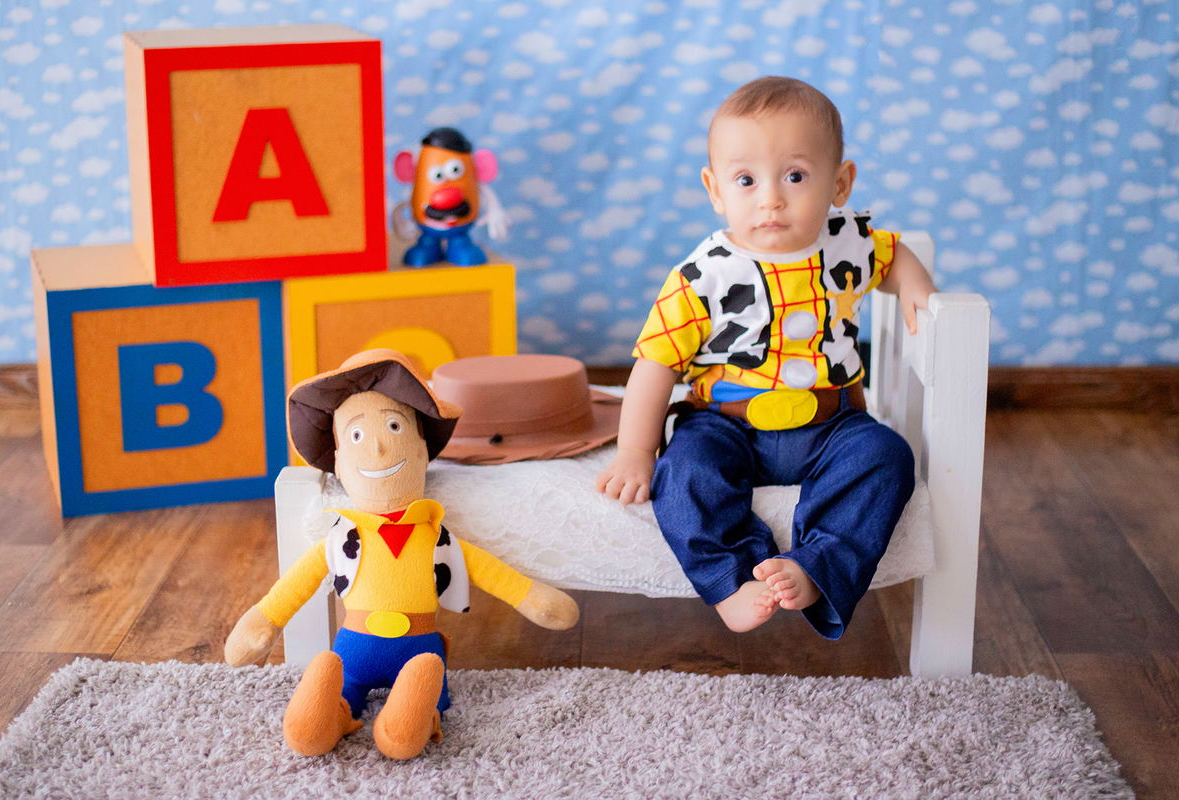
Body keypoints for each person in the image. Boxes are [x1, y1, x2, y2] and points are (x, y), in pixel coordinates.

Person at [595, 76, 937, 640]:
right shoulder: (703, 274)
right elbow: (655, 365)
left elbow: (892, 255)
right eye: (746, 180)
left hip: (831, 424)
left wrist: (917, 286)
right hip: (727, 424)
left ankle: (817, 563)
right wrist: (635, 451)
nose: (771, 198)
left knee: (886, 456)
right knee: (683, 474)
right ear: (715, 189)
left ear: (840, 182)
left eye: (796, 176)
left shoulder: (847, 240)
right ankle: (731, 581)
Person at [226, 349, 578, 759]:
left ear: (422, 449)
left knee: (420, 679)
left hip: (419, 650)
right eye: (356, 435)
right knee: (332, 691)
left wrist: (532, 597)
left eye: (394, 426)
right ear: (338, 461)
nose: (376, 448)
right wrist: (263, 621)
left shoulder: (435, 536)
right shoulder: (340, 538)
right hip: (353, 650)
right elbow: (294, 586)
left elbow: (493, 573)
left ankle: (415, 711)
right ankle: (332, 713)